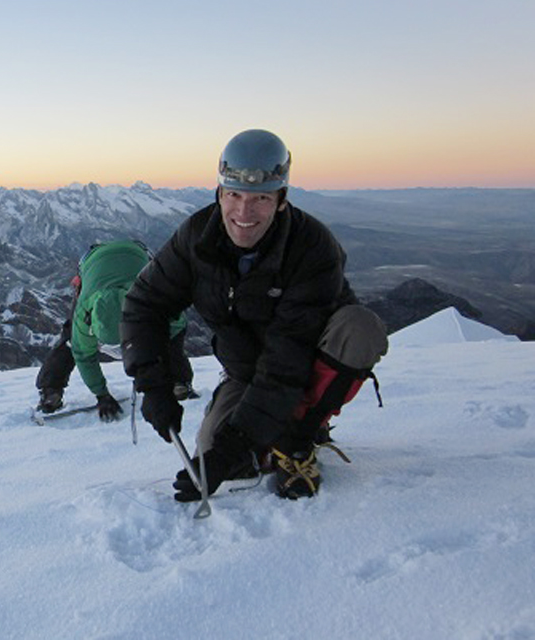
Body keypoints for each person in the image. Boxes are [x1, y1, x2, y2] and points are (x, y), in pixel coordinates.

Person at [121, 129, 388, 500]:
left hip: (309, 362)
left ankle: (300, 438)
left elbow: (288, 358)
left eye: (261, 198)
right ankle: (268, 434)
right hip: (246, 370)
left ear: (281, 200)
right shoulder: (197, 238)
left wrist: (236, 445)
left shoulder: (312, 248)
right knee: (212, 450)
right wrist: (153, 385)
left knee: (359, 329)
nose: (244, 213)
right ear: (219, 193)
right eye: (233, 195)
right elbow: (145, 304)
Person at [35, 239, 196, 422]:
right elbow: (83, 355)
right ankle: (179, 383)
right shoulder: (84, 313)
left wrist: (147, 371)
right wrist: (101, 393)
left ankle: (51, 392)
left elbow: (177, 324)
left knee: (69, 342)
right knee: (73, 338)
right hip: (106, 259)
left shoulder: (151, 298)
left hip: (124, 257)